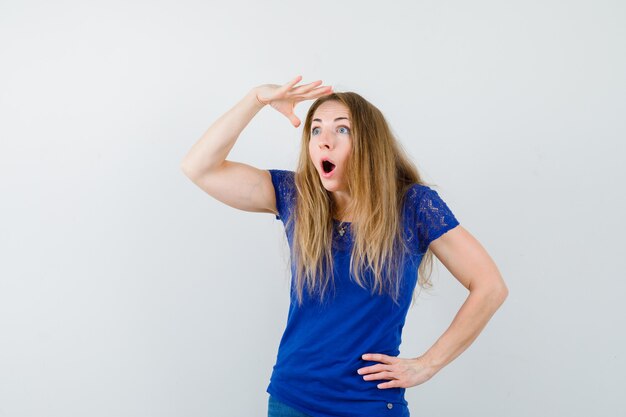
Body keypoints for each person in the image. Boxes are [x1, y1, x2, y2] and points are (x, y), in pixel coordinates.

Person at [181, 75, 509, 417]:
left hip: (369, 404)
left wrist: (428, 364)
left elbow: (489, 287)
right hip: (292, 399)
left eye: (342, 129)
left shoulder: (413, 205)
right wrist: (255, 99)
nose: (325, 141)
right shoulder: (297, 196)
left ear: (369, 143)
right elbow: (199, 167)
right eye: (316, 130)